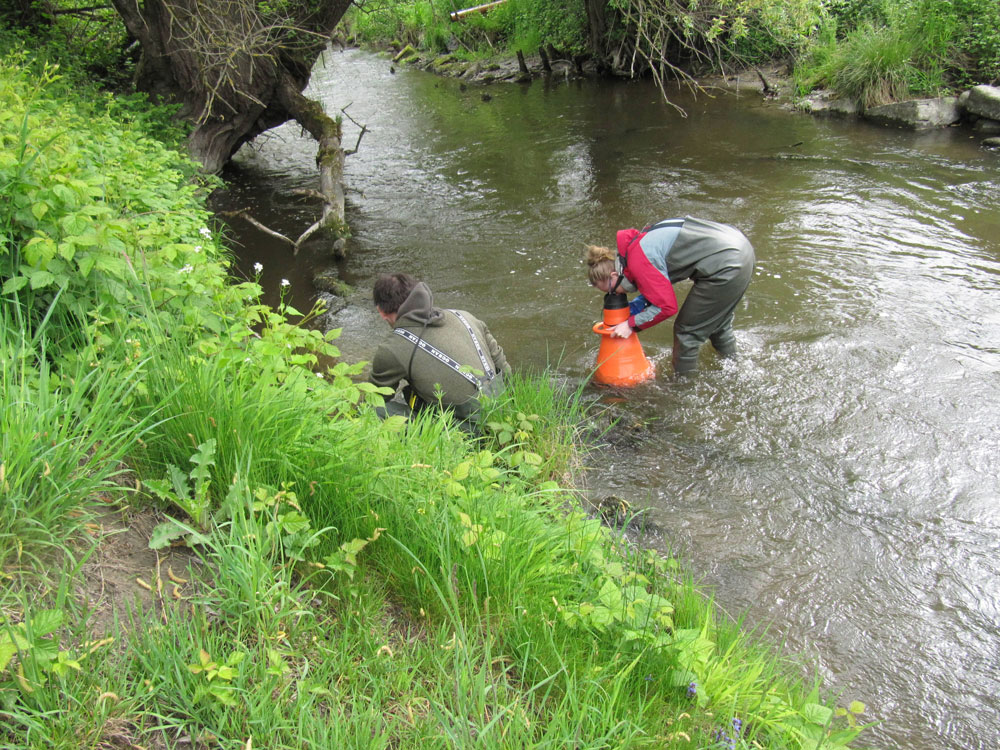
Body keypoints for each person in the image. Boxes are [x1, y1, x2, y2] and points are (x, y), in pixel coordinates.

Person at [585, 216, 755, 374]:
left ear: (614, 276)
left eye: (610, 291)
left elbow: (667, 307)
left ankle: (682, 390)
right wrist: (637, 306)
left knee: (686, 332)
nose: (614, 294)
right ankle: (735, 370)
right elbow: (658, 283)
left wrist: (630, 325)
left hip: (727, 264)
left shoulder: (638, 262)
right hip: (738, 247)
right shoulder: (635, 248)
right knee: (717, 323)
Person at [370, 272, 511, 424]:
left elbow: (375, 398)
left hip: (466, 433)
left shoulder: (391, 348)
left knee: (374, 410)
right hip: (503, 414)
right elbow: (504, 368)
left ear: (381, 311)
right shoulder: (465, 316)